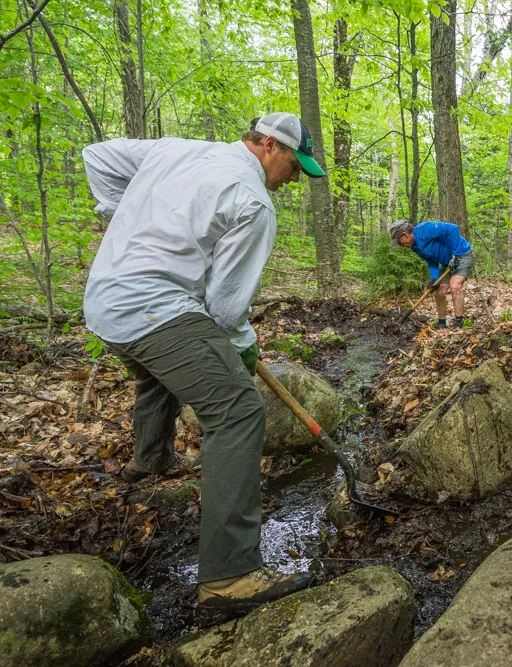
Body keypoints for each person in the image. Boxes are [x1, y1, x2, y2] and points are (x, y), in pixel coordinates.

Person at [82, 112, 326, 623]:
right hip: (153, 306)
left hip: (104, 302)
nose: (293, 179)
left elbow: (97, 156)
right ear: (269, 145)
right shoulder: (252, 200)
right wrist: (242, 346)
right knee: (237, 410)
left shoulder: (177, 149)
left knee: (160, 370)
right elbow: (225, 307)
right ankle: (229, 577)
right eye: (294, 166)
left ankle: (150, 460)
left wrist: (124, 217)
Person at [389, 219, 475, 327]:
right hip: (447, 262)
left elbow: (453, 228)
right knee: (439, 292)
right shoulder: (415, 247)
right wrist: (434, 278)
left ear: (405, 235)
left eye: (399, 242)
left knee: (455, 285)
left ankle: (459, 323)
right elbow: (431, 261)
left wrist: (456, 254)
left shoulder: (425, 229)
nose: (400, 245)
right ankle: (442, 324)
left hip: (462, 254)